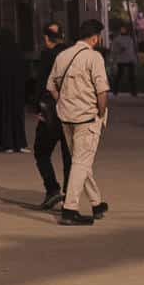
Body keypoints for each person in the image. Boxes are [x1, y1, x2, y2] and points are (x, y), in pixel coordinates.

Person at [47, 19, 109, 226]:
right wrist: (101, 114)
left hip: (66, 118)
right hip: (87, 118)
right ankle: (70, 209)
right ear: (94, 37)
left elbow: (51, 87)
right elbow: (102, 92)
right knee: (81, 162)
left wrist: (64, 103)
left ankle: (96, 202)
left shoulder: (62, 55)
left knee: (80, 161)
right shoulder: (94, 57)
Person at [32, 22, 72, 210]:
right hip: (72, 112)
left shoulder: (48, 55)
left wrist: (38, 110)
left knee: (41, 151)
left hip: (51, 112)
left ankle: (52, 189)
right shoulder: (73, 54)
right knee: (68, 156)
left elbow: (41, 84)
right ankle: (70, 198)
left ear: (47, 39)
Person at [108, 23, 140, 98]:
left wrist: (134, 58)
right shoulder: (118, 39)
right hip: (123, 60)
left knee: (128, 76)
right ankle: (117, 91)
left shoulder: (129, 39)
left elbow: (131, 50)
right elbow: (114, 50)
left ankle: (132, 92)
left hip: (128, 59)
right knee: (121, 76)